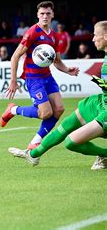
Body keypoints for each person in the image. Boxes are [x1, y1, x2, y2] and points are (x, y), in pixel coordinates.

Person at [8, 20, 107, 170]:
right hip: (100, 101)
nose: (93, 39)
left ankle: (104, 155)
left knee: (70, 142)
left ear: (105, 36)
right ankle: (33, 155)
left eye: (95, 35)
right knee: (67, 124)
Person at [1, 1, 79, 150]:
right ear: (37, 15)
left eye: (48, 13)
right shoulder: (32, 32)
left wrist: (68, 70)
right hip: (33, 78)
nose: (45, 16)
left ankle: (35, 141)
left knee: (59, 109)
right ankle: (13, 110)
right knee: (45, 113)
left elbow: (57, 61)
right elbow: (15, 56)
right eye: (42, 13)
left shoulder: (54, 36)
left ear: (52, 15)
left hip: (47, 77)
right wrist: (13, 80)